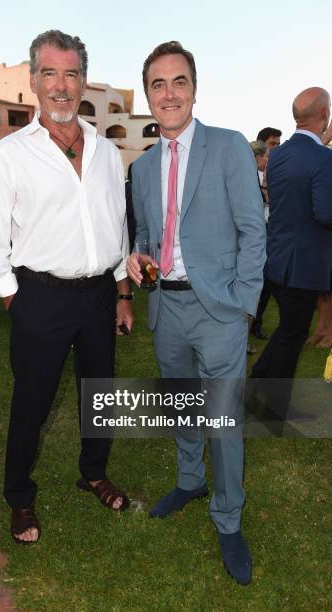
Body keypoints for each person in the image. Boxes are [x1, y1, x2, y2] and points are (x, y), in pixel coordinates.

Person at [0, 29, 133, 544]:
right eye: (50, 74)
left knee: (100, 394)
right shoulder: (10, 153)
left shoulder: (107, 151)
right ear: (34, 81)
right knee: (32, 402)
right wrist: (12, 296)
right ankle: (20, 498)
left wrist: (121, 291)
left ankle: (93, 473)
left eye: (70, 74)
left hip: (97, 297)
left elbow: (117, 224)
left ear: (83, 80)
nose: (62, 86)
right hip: (38, 296)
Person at [127, 41, 266, 585]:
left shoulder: (229, 147)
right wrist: (137, 256)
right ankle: (190, 480)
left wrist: (244, 303)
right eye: (158, 84)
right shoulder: (141, 168)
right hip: (167, 309)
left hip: (220, 312)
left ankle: (228, 517)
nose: (169, 93)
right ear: (148, 95)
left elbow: (255, 230)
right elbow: (143, 234)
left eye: (178, 81)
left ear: (194, 88)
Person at [251, 87, 332, 414]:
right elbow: (325, 213)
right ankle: (274, 408)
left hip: (279, 255)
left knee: (289, 329)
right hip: (306, 260)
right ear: (324, 115)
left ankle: (256, 386)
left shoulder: (279, 153)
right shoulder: (324, 159)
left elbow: (303, 169)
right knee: (292, 334)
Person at [249, 140, 271, 341]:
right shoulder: (247, 178)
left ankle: (255, 324)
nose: (268, 161)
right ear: (258, 158)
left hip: (266, 233)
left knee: (265, 284)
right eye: (267, 156)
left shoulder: (266, 176)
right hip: (254, 238)